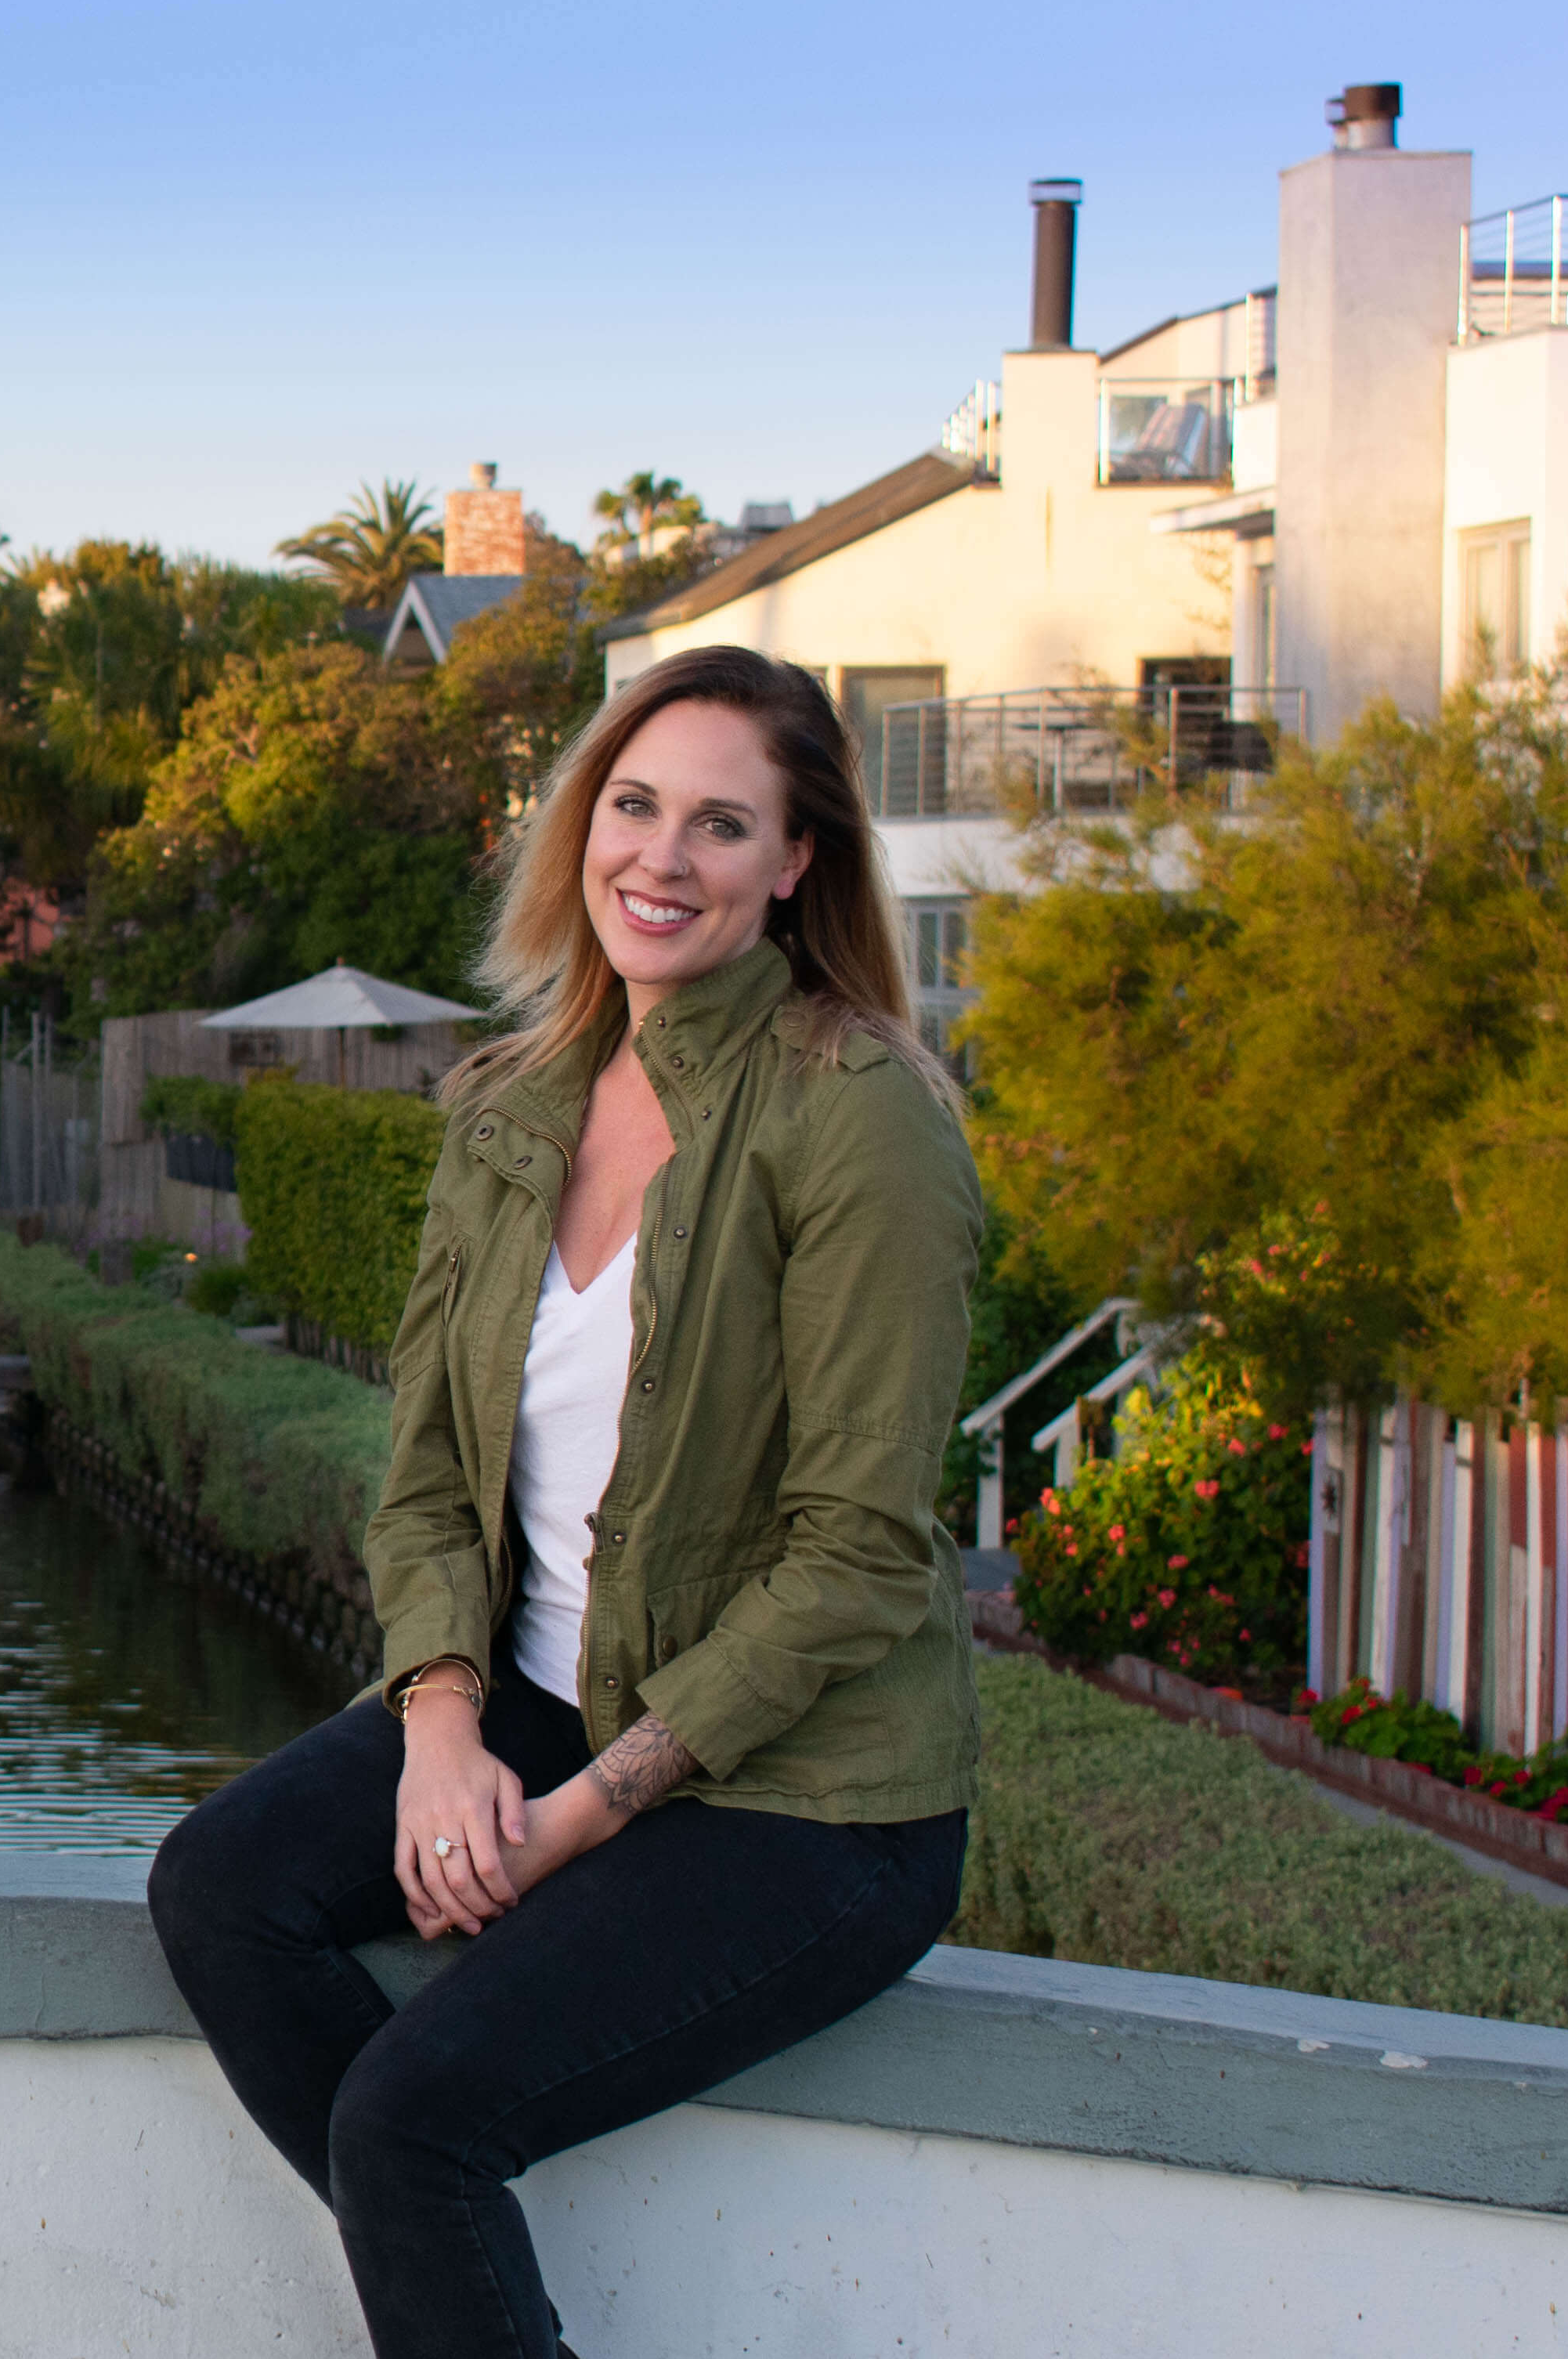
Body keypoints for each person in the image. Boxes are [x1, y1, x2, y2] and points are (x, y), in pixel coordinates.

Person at [146, 645, 983, 2359]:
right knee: (221, 1893)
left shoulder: (857, 1118)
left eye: (722, 825)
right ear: (583, 824)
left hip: (812, 1795)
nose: (662, 860)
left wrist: (580, 1817)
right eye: (635, 806)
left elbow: (860, 1555)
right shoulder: (510, 1105)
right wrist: (442, 1728)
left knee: (412, 2124)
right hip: (532, 1704)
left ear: (795, 862)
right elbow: (432, 1475)